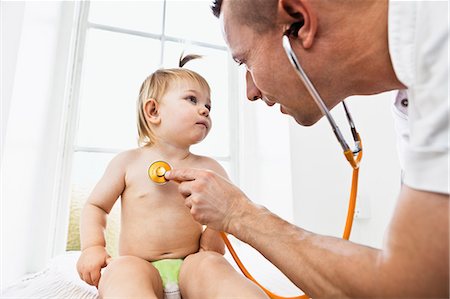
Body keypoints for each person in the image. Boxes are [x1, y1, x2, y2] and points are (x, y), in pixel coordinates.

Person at [164, 0, 449, 298]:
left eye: (245, 62)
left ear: (300, 23)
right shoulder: (416, 94)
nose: (250, 92)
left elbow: (413, 288)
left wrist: (238, 213)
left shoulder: (441, 46)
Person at [76, 55, 268, 299]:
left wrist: (210, 244)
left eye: (208, 106)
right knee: (122, 274)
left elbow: (225, 213)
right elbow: (96, 206)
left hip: (192, 264)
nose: (204, 109)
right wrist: (93, 247)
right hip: (139, 263)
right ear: (154, 111)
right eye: (192, 99)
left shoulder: (210, 169)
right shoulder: (128, 162)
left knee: (216, 269)